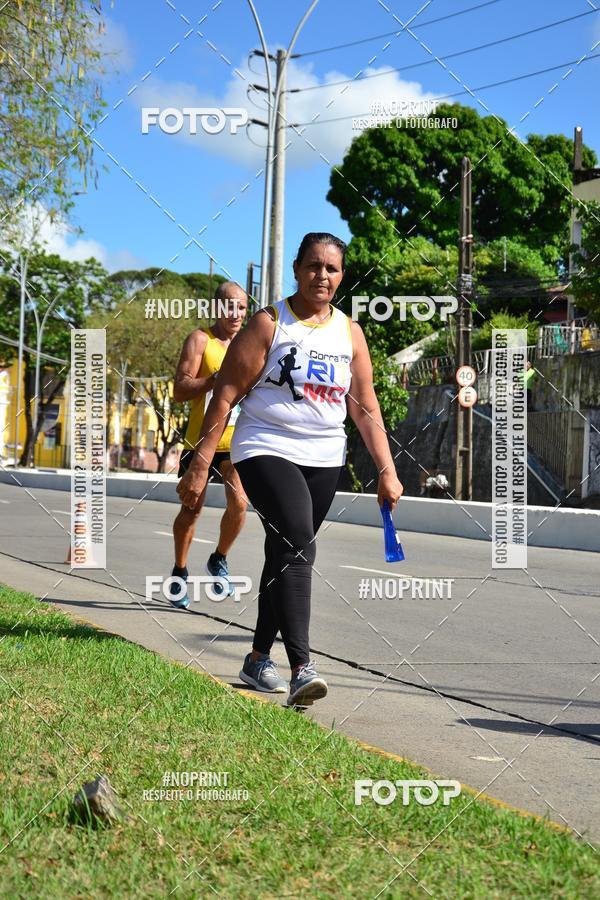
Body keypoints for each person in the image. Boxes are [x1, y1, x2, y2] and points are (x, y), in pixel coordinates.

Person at [177, 233, 404, 706]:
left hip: (324, 457)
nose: (323, 275)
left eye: (333, 269)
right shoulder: (268, 323)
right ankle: (302, 668)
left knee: (285, 552)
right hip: (265, 445)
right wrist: (200, 464)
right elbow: (225, 393)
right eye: (314, 266)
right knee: (300, 543)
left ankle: (258, 656)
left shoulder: (350, 333)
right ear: (298, 268)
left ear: (342, 276)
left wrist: (387, 468)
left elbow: (364, 408)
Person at [168, 281, 249, 608]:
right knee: (191, 510)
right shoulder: (200, 339)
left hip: (236, 442)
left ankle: (219, 558)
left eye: (242, 307)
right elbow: (180, 389)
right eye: (230, 306)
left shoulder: (249, 343)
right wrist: (214, 381)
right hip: (201, 441)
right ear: (217, 308)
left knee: (240, 502)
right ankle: (180, 572)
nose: (236, 313)